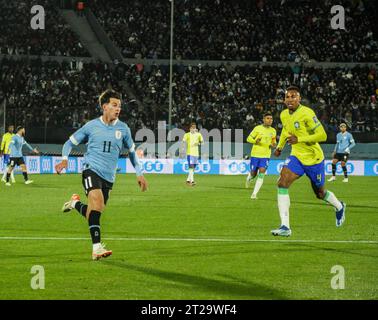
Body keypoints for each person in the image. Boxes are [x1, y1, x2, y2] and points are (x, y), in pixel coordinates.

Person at [55, 89, 148, 260]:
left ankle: (75, 204)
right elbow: (69, 143)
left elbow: (133, 153)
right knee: (97, 203)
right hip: (91, 169)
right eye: (114, 105)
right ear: (105, 107)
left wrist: (139, 174)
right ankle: (96, 248)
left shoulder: (124, 129)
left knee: (95, 210)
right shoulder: (91, 126)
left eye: (119, 106)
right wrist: (64, 159)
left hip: (109, 176)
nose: (118, 109)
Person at [272, 86, 346, 237]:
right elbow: (286, 131)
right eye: (287, 97)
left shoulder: (307, 113)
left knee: (320, 193)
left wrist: (299, 139)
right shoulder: (284, 114)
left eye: (293, 96)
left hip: (314, 159)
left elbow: (322, 135)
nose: (290, 99)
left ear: (299, 99)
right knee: (282, 183)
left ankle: (339, 206)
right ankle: (285, 226)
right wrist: (280, 147)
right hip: (297, 157)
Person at [246, 112, 277, 199]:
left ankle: (254, 194)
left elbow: (274, 142)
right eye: (268, 118)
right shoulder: (257, 128)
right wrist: (255, 141)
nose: (270, 120)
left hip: (266, 155)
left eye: (271, 119)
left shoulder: (273, 131)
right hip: (255, 154)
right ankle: (249, 177)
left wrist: (273, 145)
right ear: (263, 119)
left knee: (262, 172)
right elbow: (248, 138)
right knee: (253, 173)